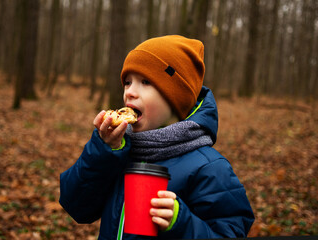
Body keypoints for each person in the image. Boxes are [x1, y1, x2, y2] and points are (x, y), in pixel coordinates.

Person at [59, 35, 255, 239]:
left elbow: (229, 232)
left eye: (145, 82)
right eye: (127, 82)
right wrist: (102, 151)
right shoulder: (119, 152)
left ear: (175, 97)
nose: (130, 93)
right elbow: (77, 207)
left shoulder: (209, 167)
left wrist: (181, 222)